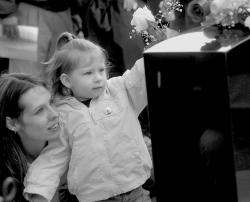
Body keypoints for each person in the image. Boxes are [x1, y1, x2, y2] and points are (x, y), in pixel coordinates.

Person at [23, 32, 153, 202]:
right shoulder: (62, 114)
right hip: (95, 197)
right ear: (67, 81)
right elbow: (54, 156)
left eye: (101, 70)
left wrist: (156, 44)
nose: (98, 78)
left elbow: (141, 75)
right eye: (88, 73)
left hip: (136, 191)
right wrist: (38, 189)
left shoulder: (121, 91)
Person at [0, 73, 78, 202]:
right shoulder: (7, 177)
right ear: (13, 124)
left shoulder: (76, 144)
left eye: (51, 102)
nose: (54, 114)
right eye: (39, 111)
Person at [0, 0, 82, 79]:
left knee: (59, 78)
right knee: (24, 79)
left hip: (63, 12)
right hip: (25, 11)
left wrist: (74, 9)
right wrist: (6, 13)